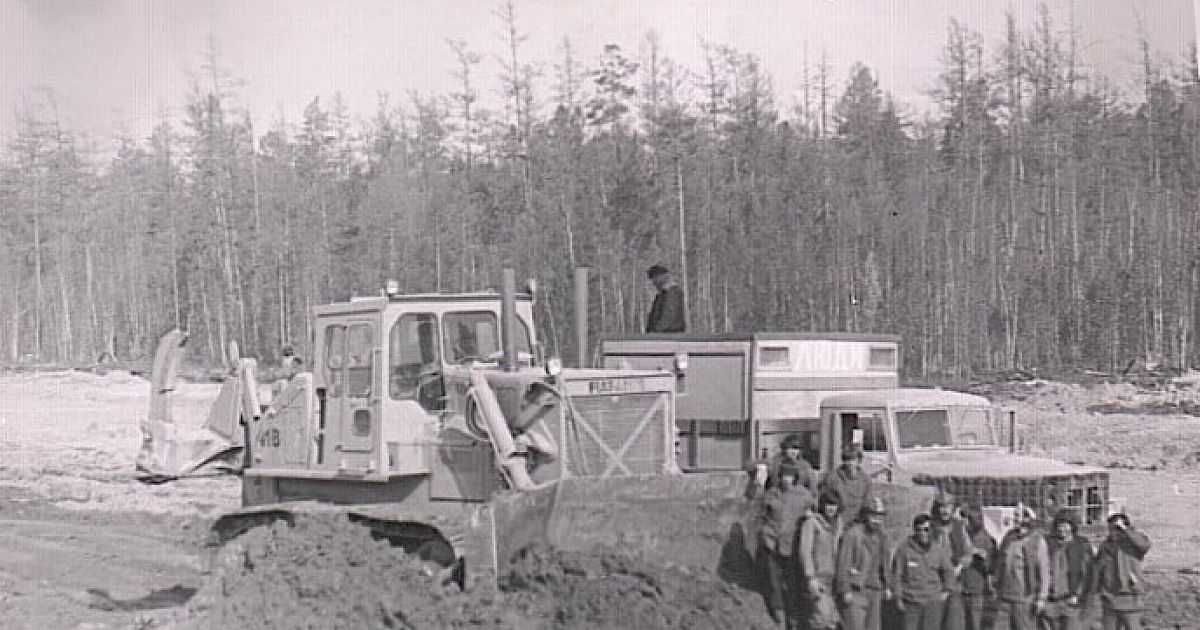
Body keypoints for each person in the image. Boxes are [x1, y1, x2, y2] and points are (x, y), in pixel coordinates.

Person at [759, 465, 816, 627]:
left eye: (790, 476)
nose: (786, 479)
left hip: (793, 546)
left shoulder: (803, 496)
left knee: (793, 584)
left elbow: (812, 514)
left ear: (795, 477)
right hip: (772, 545)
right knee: (773, 582)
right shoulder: (772, 494)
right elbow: (760, 515)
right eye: (783, 475)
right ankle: (780, 617)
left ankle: (794, 618)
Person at [835, 496, 893, 630]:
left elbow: (885, 563)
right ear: (866, 515)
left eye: (880, 516)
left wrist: (888, 585)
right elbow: (843, 563)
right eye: (873, 516)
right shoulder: (852, 534)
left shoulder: (882, 537)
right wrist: (844, 589)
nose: (877, 520)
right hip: (856, 590)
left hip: (875, 590)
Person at [892, 514, 956, 630]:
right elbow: (897, 575)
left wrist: (946, 591)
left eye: (926, 530)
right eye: (918, 530)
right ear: (914, 531)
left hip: (933, 603)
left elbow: (948, 571)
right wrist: (898, 597)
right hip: (911, 602)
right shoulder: (904, 550)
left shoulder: (938, 549)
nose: (922, 533)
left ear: (931, 530)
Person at [1089, 512, 1151, 630]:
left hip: (1130, 598)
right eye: (1111, 528)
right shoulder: (1105, 546)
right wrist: (1096, 592)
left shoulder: (1133, 545)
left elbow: (1144, 545)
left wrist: (1125, 529)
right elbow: (1098, 570)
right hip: (1110, 598)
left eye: (1117, 528)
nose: (1114, 532)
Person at [991, 505, 1049, 630]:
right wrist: (995, 584)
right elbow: (1000, 562)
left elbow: (1044, 572)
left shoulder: (1037, 541)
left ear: (1027, 519)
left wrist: (1041, 598)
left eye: (1017, 515)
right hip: (1004, 596)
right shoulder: (1009, 537)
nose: (1014, 519)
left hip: (1024, 598)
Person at [798, 490, 844, 629]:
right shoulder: (812, 523)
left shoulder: (839, 525)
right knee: (820, 618)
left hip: (834, 580)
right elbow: (805, 551)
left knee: (832, 620)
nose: (831, 508)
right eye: (828, 504)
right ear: (822, 505)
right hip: (818, 578)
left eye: (834, 505)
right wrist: (810, 577)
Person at [1041, 509, 1093, 630]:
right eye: (1059, 524)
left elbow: (1087, 574)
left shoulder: (1082, 545)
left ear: (1072, 526)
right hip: (1051, 599)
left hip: (1071, 600)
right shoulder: (1047, 543)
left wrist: (1078, 595)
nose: (1062, 528)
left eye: (1066, 525)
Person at [955, 502, 997, 630]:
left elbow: (991, 567)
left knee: (975, 624)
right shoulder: (962, 536)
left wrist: (981, 556)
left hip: (976, 591)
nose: (964, 522)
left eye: (966, 518)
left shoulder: (986, 540)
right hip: (961, 588)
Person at [820, 442, 872, 524]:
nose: (850, 463)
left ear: (858, 460)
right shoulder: (832, 477)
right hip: (835, 522)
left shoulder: (865, 480)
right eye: (847, 460)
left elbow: (867, 504)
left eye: (853, 460)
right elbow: (822, 500)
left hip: (856, 523)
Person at [754, 434, 818, 496]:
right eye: (790, 448)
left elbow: (813, 489)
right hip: (777, 495)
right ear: (784, 448)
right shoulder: (774, 461)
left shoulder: (805, 465)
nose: (793, 451)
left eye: (796, 448)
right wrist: (761, 470)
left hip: (797, 497)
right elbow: (752, 464)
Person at [645, 264, 685, 333]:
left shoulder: (672, 293)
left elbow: (668, 317)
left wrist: (655, 332)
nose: (653, 282)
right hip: (663, 335)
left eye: (655, 278)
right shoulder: (662, 295)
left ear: (662, 277)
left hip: (669, 335)